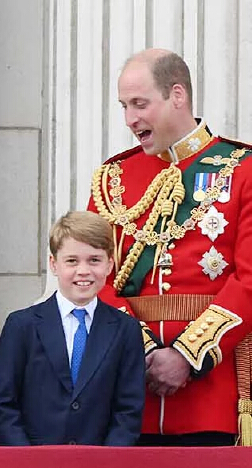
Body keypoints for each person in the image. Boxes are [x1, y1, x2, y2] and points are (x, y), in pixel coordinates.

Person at [89, 48, 252, 446]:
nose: (130, 119)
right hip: (131, 396)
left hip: (212, 394)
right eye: (125, 106)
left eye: (140, 104)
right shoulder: (113, 179)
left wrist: (186, 356)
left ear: (177, 95)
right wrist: (141, 350)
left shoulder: (242, 169)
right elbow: (94, 276)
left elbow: (248, 281)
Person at [0, 212, 145, 446]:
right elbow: (3, 405)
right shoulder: (22, 325)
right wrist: (24, 460)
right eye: (72, 261)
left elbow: (128, 409)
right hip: (34, 464)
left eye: (94, 260)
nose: (83, 270)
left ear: (110, 264)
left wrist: (109, 462)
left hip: (100, 465)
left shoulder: (126, 329)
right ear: (54, 264)